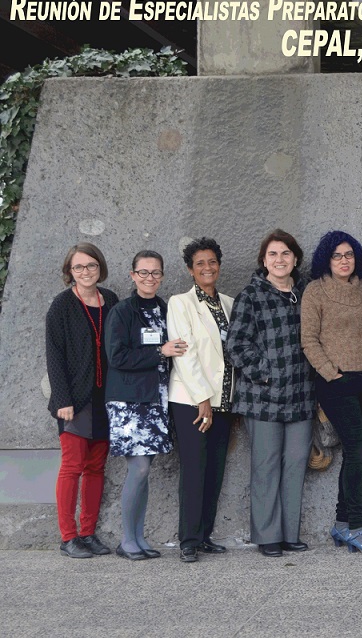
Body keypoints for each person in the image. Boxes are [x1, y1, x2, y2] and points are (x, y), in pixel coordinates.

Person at [227, 230, 314, 558]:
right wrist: (267, 374)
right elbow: (236, 345)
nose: (280, 260)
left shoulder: (306, 292)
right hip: (263, 397)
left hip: (302, 395)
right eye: (273, 254)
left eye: (286, 254)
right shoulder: (251, 295)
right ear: (264, 260)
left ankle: (290, 533)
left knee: (296, 464)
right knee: (266, 466)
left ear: (295, 259)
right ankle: (267, 536)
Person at [300, 230, 362, 554]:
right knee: (360, 451)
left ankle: (340, 525)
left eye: (349, 255)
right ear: (326, 259)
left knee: (353, 454)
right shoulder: (315, 291)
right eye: (337, 255)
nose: (344, 260)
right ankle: (358, 527)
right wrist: (330, 373)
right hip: (336, 384)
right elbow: (309, 339)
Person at [104, 250, 182, 560]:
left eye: (155, 273)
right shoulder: (122, 311)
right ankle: (126, 539)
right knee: (138, 469)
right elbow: (117, 357)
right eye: (143, 272)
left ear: (162, 276)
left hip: (155, 399)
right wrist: (160, 352)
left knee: (144, 471)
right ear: (133, 275)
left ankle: (138, 536)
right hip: (128, 402)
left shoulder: (165, 309)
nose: (150, 278)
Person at [45, 243, 119, 558]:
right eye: (78, 267)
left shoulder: (111, 300)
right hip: (74, 399)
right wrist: (63, 399)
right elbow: (54, 356)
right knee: (72, 466)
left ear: (99, 267)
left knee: (96, 467)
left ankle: (88, 534)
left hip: (106, 397)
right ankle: (68, 537)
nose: (85, 272)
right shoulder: (61, 306)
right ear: (70, 272)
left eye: (90, 265)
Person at [167, 237, 235, 563]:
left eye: (212, 262)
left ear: (219, 265)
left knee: (215, 470)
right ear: (190, 270)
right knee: (194, 469)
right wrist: (202, 400)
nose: (207, 268)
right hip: (191, 401)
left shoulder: (229, 303)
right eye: (200, 264)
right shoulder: (180, 304)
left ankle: (205, 535)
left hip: (225, 401)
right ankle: (188, 541)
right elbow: (184, 354)